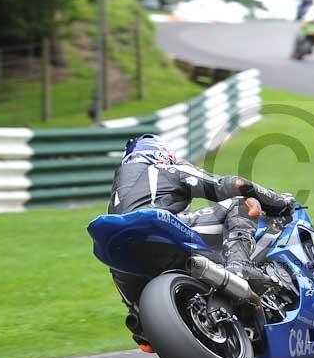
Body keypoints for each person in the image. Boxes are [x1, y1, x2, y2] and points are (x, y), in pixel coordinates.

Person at [107, 134, 296, 329]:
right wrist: (279, 202)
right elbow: (231, 185)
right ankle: (239, 266)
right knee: (239, 203)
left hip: (121, 256)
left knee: (132, 300)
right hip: (157, 226)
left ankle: (139, 320)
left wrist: (136, 312)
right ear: (161, 154)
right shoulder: (165, 169)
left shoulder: (116, 194)